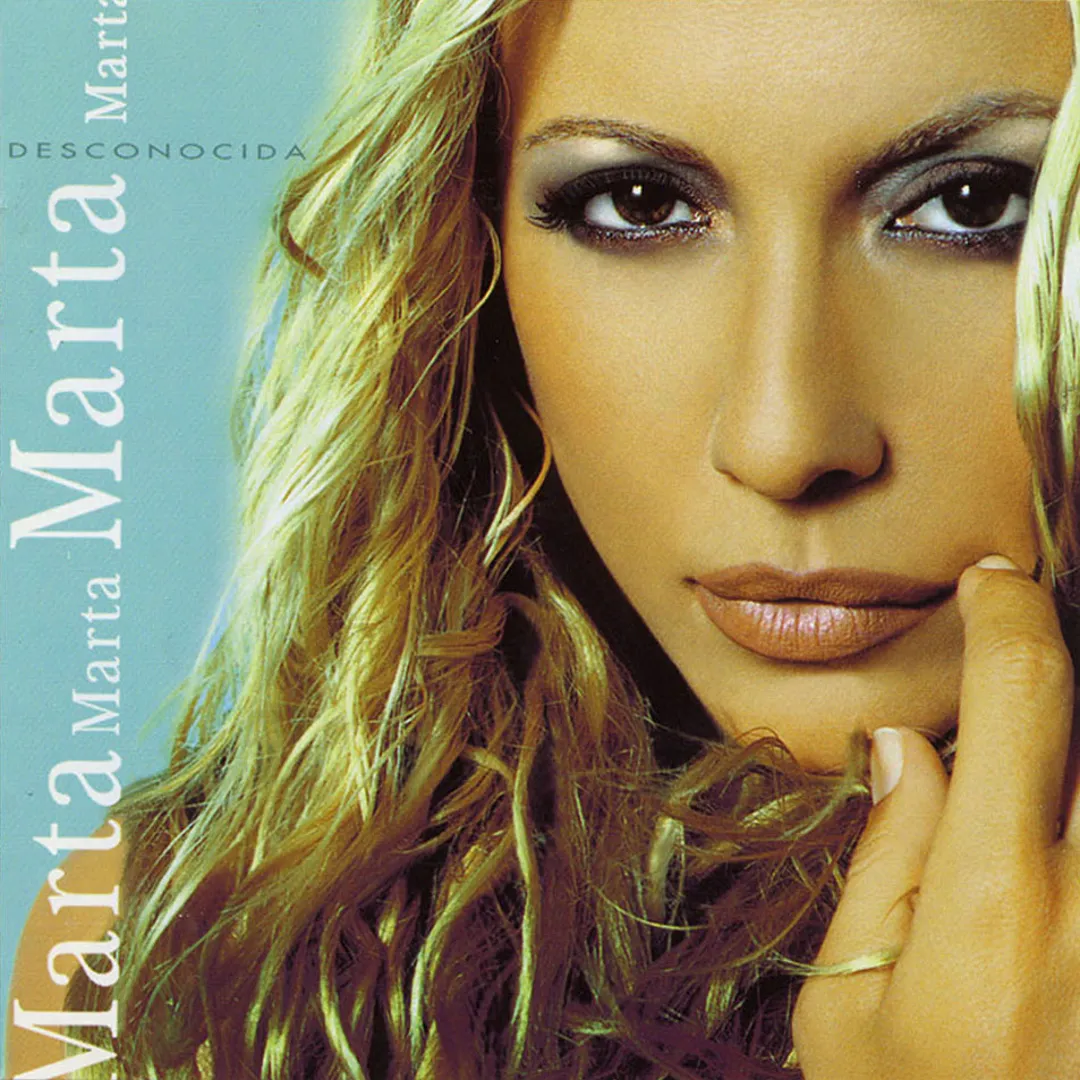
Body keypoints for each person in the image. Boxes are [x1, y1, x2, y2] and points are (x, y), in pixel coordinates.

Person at [8, 1, 1080, 1077]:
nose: (783, 439)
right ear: (470, 252)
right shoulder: (180, 951)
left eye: (973, 204)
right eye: (640, 203)